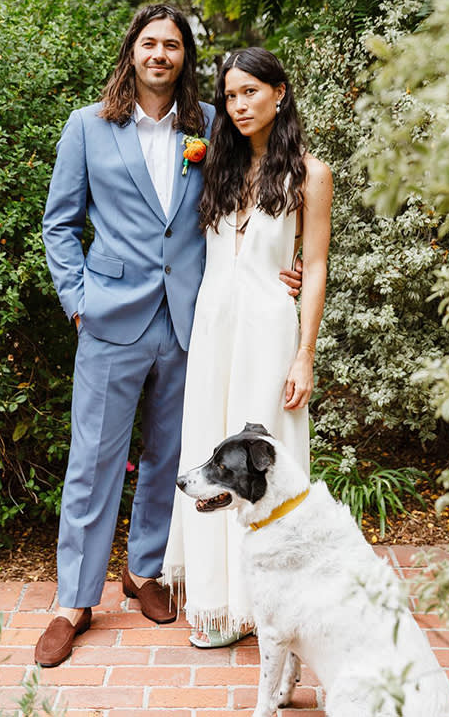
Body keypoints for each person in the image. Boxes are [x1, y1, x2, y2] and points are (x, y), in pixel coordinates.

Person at [35, 7, 302, 668]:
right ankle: (75, 599)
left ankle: (146, 570)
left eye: (172, 45)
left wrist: (282, 264)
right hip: (111, 318)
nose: (160, 54)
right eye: (149, 43)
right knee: (93, 459)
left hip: (191, 320)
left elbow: (260, 188)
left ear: (184, 57)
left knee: (168, 456)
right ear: (132, 52)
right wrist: (78, 303)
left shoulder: (210, 126)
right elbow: (58, 225)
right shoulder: (87, 127)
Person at [162, 47, 332, 648]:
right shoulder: (214, 167)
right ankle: (217, 605)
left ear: (279, 92)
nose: (238, 105)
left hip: (268, 329)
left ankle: (272, 609)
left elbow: (312, 267)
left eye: (250, 92)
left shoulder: (309, 173)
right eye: (230, 95)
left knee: (270, 459)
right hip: (213, 327)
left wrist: (303, 353)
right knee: (210, 454)